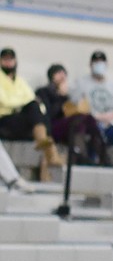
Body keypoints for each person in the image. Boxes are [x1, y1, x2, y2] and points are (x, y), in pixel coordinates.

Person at [0, 46, 64, 178]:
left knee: (36, 107)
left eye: (10, 59)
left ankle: (44, 142)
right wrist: (22, 102)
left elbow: (31, 98)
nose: (8, 63)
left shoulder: (19, 81)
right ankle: (48, 148)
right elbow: (5, 101)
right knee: (34, 109)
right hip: (4, 120)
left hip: (19, 118)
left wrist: (22, 102)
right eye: (5, 60)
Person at [35, 64, 109, 166]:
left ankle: (102, 156)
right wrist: (60, 97)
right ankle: (82, 156)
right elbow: (48, 113)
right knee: (77, 120)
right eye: (58, 73)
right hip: (53, 127)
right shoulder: (44, 91)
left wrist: (69, 96)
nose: (62, 76)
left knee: (87, 119)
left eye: (63, 73)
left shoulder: (68, 92)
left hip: (70, 125)